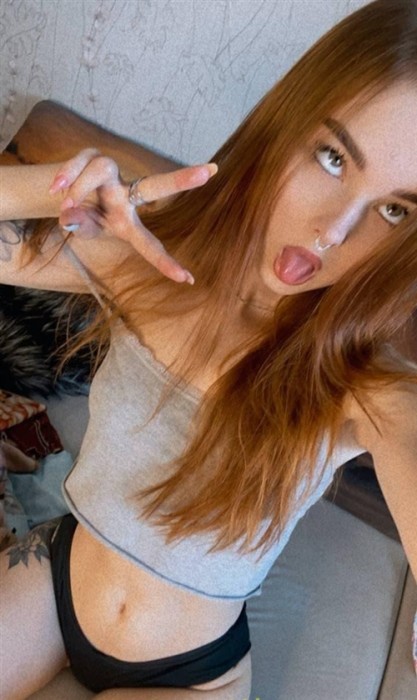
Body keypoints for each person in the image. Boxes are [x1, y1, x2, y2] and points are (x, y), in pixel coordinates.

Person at [1, 0, 417, 697]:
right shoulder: (148, 259)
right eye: (332, 157)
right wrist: (51, 185)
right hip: (56, 576)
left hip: (189, 677)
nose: (332, 231)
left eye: (394, 210)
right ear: (282, 128)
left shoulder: (370, 388)